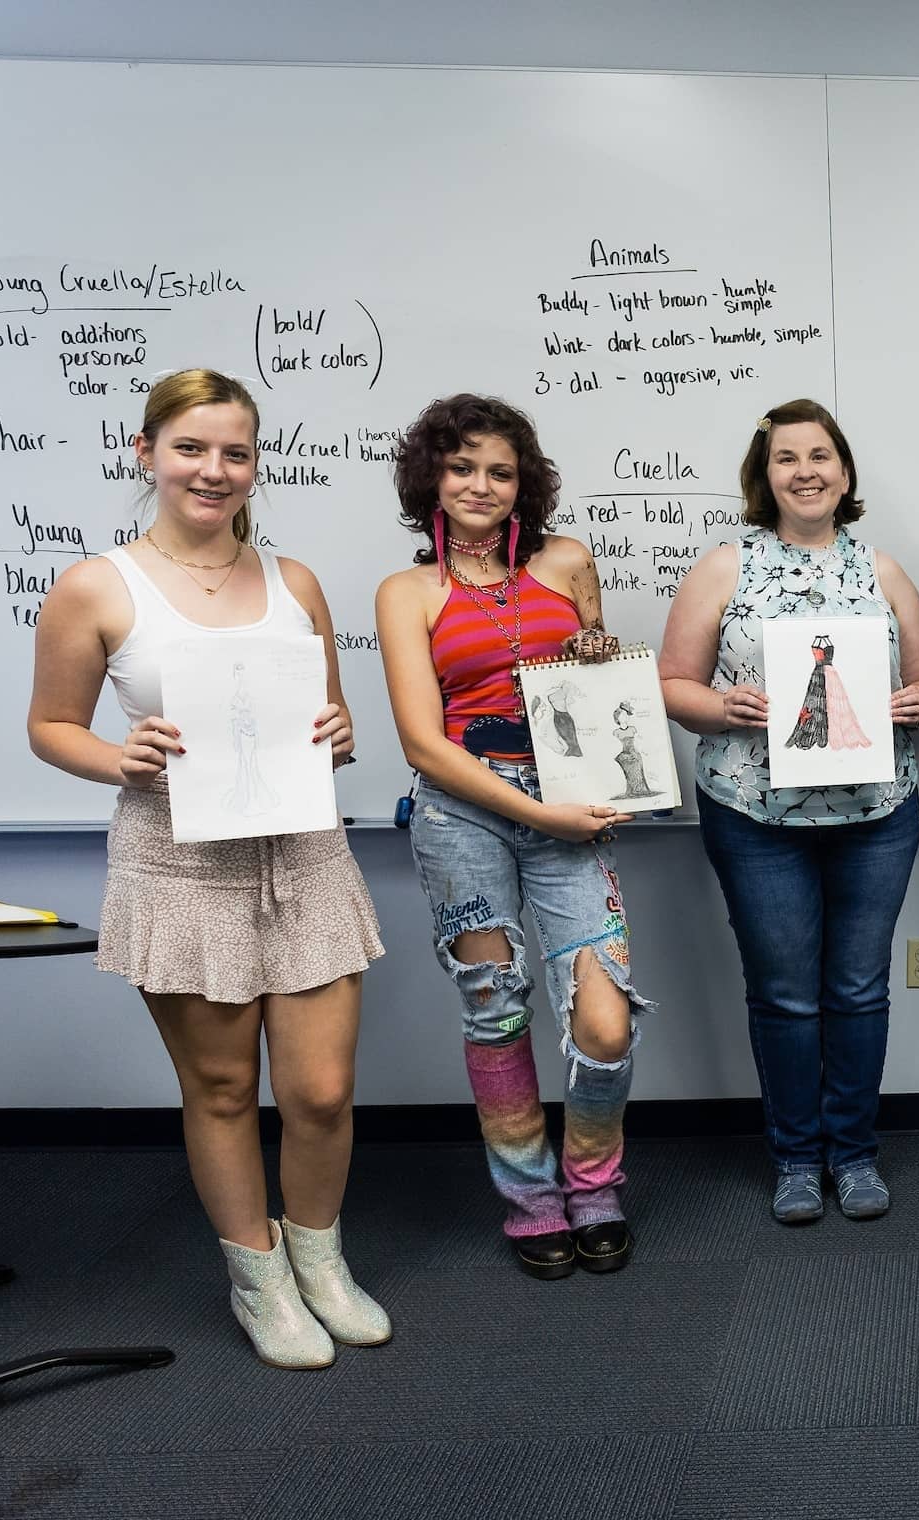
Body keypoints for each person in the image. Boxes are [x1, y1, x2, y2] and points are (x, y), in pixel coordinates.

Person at [27, 368, 387, 1368]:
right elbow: (50, 726)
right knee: (224, 1088)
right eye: (191, 447)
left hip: (302, 852)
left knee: (319, 1089)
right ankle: (258, 1279)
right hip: (176, 860)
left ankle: (322, 1260)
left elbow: (333, 719)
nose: (213, 469)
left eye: (235, 451)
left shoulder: (294, 581)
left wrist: (339, 728)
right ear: (146, 451)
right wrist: (118, 753)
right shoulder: (98, 585)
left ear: (255, 465)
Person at [375, 393, 650, 1281]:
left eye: (499, 470)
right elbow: (423, 741)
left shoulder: (568, 562)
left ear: (523, 481)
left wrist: (602, 678)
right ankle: (533, 1202)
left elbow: (600, 677)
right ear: (432, 482)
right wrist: (536, 813)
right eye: (461, 469)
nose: (481, 486)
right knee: (495, 1010)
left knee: (604, 1023)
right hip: (462, 810)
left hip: (568, 796)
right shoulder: (408, 593)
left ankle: (594, 1183)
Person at [660, 399, 919, 1223]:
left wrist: (913, 705)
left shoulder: (884, 571)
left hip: (877, 813)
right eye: (788, 458)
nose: (806, 471)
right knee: (784, 994)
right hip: (754, 817)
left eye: (821, 455)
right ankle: (794, 1157)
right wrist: (725, 710)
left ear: (845, 472)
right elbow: (674, 685)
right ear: (767, 474)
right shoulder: (724, 566)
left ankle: (853, 1154)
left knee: (858, 989)